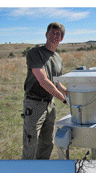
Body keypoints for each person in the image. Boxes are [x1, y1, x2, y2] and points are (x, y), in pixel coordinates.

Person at [22, 22, 69, 159]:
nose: (55, 36)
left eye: (58, 34)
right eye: (52, 32)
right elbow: (43, 80)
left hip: (50, 104)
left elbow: (56, 82)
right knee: (31, 143)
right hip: (34, 104)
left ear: (61, 38)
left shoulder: (58, 59)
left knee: (47, 143)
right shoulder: (35, 53)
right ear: (46, 34)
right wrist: (64, 99)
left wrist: (68, 91)